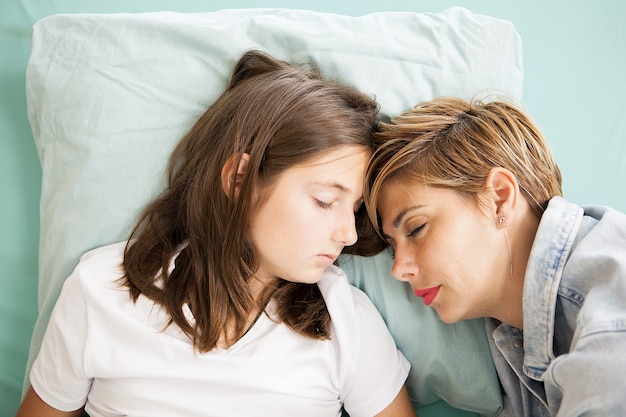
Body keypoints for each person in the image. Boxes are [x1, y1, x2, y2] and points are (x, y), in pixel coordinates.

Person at [16, 50, 415, 417]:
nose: (348, 233)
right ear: (240, 179)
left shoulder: (346, 324)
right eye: (326, 200)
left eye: (356, 209)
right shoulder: (101, 291)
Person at [358, 96, 626, 416]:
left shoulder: (608, 290)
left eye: (416, 228)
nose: (399, 269)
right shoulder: (512, 343)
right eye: (392, 249)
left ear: (500, 198)